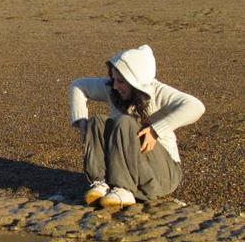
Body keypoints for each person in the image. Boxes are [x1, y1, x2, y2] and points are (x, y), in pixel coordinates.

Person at [69, 44, 205, 208]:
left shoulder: (157, 92)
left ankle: (124, 189)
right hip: (128, 168)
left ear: (136, 81)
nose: (115, 86)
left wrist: (156, 130)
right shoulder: (113, 90)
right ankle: (102, 182)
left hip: (162, 175)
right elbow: (78, 85)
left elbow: (196, 106)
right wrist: (82, 123)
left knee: (125, 121)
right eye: (114, 79)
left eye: (121, 81)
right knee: (97, 121)